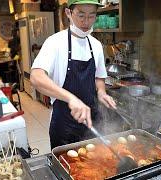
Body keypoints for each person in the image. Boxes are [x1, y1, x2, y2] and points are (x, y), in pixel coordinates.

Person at [30, 0, 116, 149]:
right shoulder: (55, 42)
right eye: (81, 15)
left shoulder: (96, 45)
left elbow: (99, 77)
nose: (86, 22)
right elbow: (36, 77)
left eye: (91, 16)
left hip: (91, 121)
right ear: (68, 13)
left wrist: (101, 92)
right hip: (64, 125)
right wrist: (71, 98)